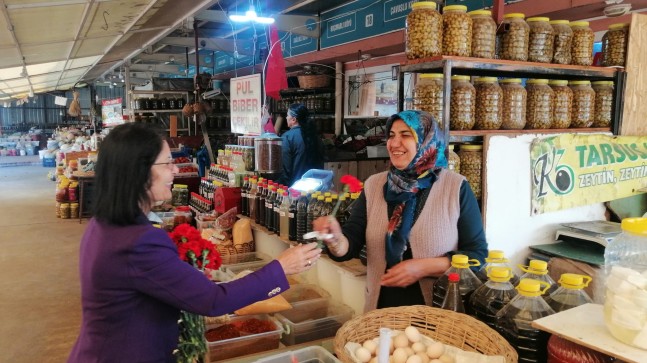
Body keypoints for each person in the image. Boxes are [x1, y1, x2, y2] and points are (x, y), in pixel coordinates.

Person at [67, 123, 322, 362]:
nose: (175, 170)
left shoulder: (104, 224)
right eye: (167, 163)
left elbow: (158, 285)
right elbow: (212, 301)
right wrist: (280, 267)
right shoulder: (139, 241)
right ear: (140, 170)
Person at [314, 110, 488, 312]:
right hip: (382, 312)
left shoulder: (455, 188)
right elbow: (350, 243)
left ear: (426, 140)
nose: (394, 144)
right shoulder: (374, 186)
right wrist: (335, 239)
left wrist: (422, 267)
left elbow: (477, 256)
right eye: (391, 135)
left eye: (406, 135)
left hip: (437, 313)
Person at [278, 103, 324, 186]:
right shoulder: (315, 136)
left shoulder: (287, 137)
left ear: (293, 119)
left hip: (295, 188)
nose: (286, 117)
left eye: (287, 115)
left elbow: (285, 169)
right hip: (315, 187)